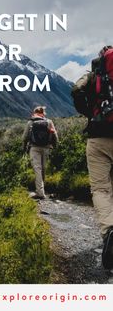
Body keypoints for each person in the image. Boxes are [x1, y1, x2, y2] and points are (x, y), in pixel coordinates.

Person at [71, 45, 113, 269]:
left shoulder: (92, 75)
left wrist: (89, 113)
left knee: (100, 189)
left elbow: (76, 90)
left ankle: (109, 231)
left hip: (98, 137)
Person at [22, 106, 58, 199]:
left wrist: (24, 148)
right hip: (46, 148)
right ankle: (41, 190)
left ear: (34, 112)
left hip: (34, 148)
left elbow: (24, 137)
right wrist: (55, 146)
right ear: (43, 113)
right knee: (43, 168)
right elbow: (55, 135)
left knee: (37, 169)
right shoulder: (49, 122)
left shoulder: (31, 122)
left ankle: (40, 193)